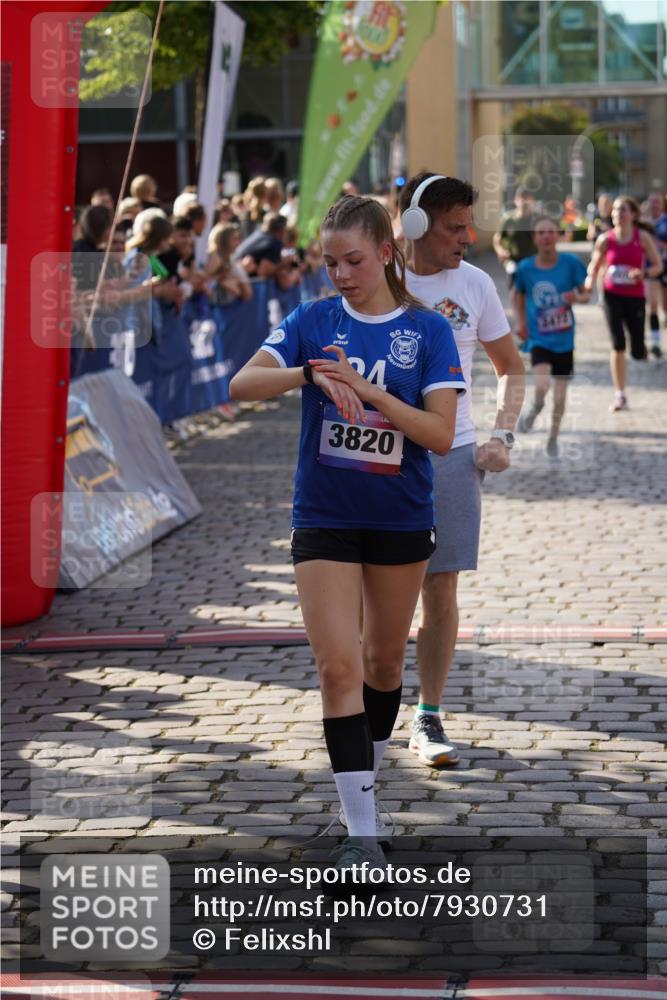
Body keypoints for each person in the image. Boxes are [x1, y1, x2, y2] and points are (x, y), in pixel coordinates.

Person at [229, 194, 466, 873]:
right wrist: (306, 373)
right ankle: (360, 831)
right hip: (323, 515)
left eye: (353, 260)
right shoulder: (312, 319)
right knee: (338, 667)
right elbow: (241, 384)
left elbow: (440, 436)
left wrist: (375, 396)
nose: (340, 274)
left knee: (384, 665)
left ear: (386, 253)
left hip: (398, 515)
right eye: (329, 262)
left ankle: (370, 782)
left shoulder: (426, 332)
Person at [399, 171, 525, 767]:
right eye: (455, 227)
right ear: (416, 224)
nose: (467, 237)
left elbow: (512, 367)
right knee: (378, 589)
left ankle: (428, 715)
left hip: (451, 454)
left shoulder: (474, 284)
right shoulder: (378, 277)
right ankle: (369, 707)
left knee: (439, 585)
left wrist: (502, 435)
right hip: (379, 458)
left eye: (469, 226)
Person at [514, 217, 589, 458]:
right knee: (542, 385)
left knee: (560, 397)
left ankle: (553, 438)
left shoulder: (570, 263)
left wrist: (576, 298)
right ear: (535, 238)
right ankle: (535, 407)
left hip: (565, 340)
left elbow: (587, 293)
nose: (546, 236)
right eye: (541, 233)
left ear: (558, 236)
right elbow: (518, 294)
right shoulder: (526, 268)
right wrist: (521, 322)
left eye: (550, 232)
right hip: (539, 339)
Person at [585, 196, 662, 411]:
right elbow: (595, 264)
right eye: (616, 210)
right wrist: (590, 280)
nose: (619, 213)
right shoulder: (605, 239)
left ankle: (643, 349)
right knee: (618, 344)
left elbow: (657, 266)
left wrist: (643, 273)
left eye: (624, 210)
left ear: (633, 215)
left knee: (637, 351)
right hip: (612, 295)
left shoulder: (642, 237)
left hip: (635, 296)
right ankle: (620, 394)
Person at [234, 213, 297, 290]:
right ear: (282, 230)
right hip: (240, 286)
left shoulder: (259, 234)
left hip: (237, 280)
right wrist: (284, 263)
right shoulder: (274, 242)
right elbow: (263, 272)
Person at [493, 187, 540, 285]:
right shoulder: (509, 219)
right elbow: (497, 239)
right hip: (514, 260)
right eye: (521, 198)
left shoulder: (537, 219)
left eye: (527, 198)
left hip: (534, 260)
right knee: (513, 276)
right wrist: (500, 251)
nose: (524, 201)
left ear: (532, 201)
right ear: (516, 200)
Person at [641, 191, 667, 358]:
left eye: (657, 202)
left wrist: (659, 245)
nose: (654, 205)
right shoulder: (643, 224)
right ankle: (656, 343)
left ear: (663, 204)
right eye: (651, 201)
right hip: (651, 269)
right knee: (652, 305)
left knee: (665, 307)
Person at [206, 223, 252, 303]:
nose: (238, 243)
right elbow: (205, 278)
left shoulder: (229, 258)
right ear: (223, 241)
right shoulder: (215, 257)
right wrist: (222, 280)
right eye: (234, 239)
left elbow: (246, 292)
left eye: (238, 239)